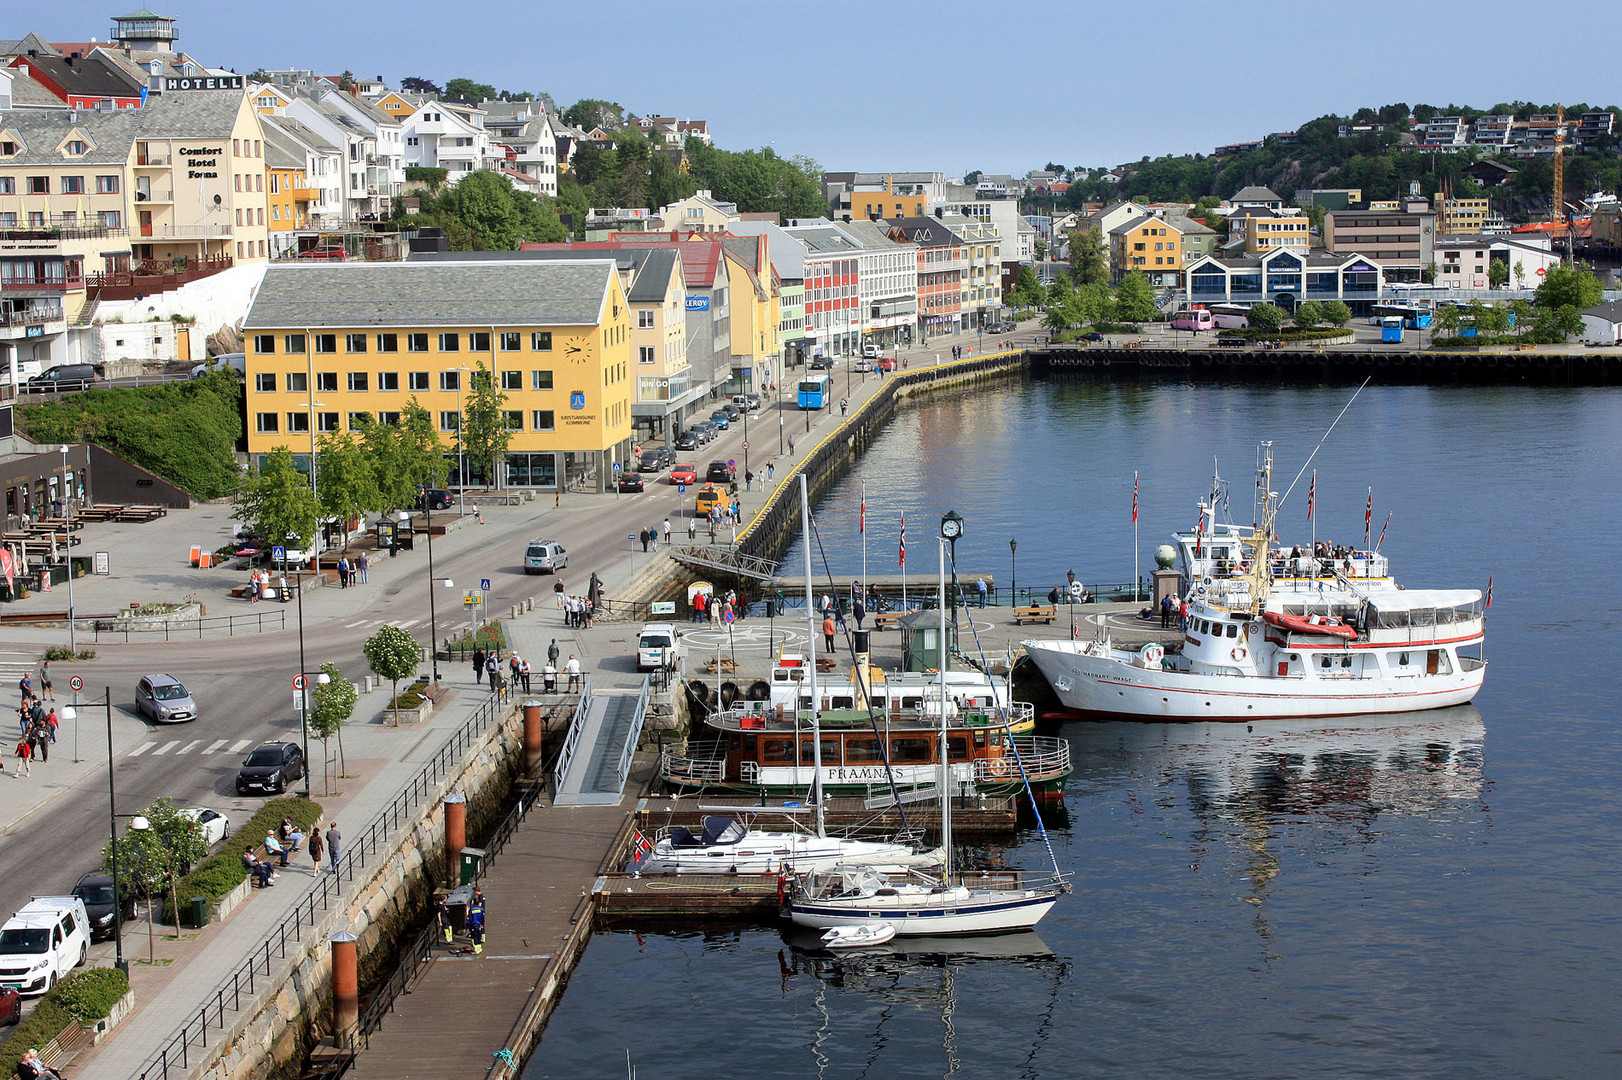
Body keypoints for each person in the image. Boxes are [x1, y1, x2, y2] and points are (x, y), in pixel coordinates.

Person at [467, 888, 486, 954]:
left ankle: (476, 950)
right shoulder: (481, 909)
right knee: (478, 936)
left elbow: (470, 918)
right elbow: (482, 918)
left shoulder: (472, 910)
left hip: (474, 924)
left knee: (474, 938)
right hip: (479, 924)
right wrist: (482, 924)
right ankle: (480, 948)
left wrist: (468, 927)